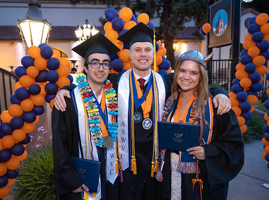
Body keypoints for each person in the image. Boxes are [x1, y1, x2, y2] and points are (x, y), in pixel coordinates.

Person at [54, 23, 231, 200]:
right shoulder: (116, 82)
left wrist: (219, 93)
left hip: (157, 169)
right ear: (129, 54)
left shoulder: (166, 82)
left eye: (147, 49)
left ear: (153, 54)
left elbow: (194, 83)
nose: (143, 54)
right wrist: (66, 90)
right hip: (126, 168)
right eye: (137, 50)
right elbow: (90, 85)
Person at [160, 50, 244, 200]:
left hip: (199, 179)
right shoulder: (169, 99)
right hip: (169, 175)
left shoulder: (215, 107)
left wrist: (209, 152)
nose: (186, 77)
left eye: (194, 73)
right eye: (183, 70)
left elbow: (234, 147)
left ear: (201, 77)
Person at [52, 32, 120, 200]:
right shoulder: (68, 101)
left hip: (111, 176)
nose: (100, 68)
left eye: (105, 63)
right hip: (80, 179)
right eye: (95, 63)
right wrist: (71, 180)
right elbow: (60, 146)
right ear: (85, 67)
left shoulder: (115, 95)